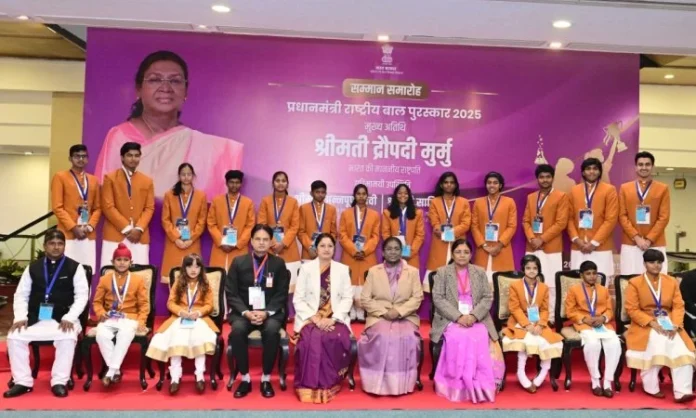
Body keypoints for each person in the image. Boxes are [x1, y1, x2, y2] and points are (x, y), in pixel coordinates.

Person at [94, 50, 243, 199]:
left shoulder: (208, 148)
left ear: (186, 91)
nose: (165, 88)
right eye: (155, 80)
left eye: (175, 81)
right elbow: (104, 195)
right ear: (138, 89)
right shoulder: (119, 136)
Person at [3, 231, 89, 399]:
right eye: (52, 243)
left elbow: (82, 296)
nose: (56, 247)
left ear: (64, 246)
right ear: (45, 246)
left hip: (63, 318)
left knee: (67, 336)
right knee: (14, 336)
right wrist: (20, 317)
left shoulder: (75, 267)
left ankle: (59, 381)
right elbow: (21, 295)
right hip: (36, 318)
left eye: (60, 243)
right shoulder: (33, 267)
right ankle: (22, 382)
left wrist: (70, 317)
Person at [431, 239, 505, 403]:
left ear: (471, 255)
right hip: (450, 317)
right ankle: (457, 384)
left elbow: (487, 297)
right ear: (452, 254)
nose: (462, 255)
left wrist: (473, 316)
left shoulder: (479, 272)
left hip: (476, 316)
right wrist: (458, 317)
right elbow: (438, 298)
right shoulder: (442, 272)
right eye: (458, 252)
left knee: (479, 334)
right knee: (459, 335)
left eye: (466, 252)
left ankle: (480, 383)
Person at [226, 224, 290, 399]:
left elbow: (281, 293)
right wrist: (246, 312)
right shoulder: (238, 262)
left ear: (270, 242)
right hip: (244, 313)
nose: (261, 243)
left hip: (270, 313)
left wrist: (266, 312)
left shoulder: (278, 263)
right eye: (258, 239)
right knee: (238, 330)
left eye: (265, 239)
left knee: (271, 330)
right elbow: (231, 293)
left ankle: (266, 378)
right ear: (251, 241)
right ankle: (245, 378)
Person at [625, 249, 695, 403]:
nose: (656, 265)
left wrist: (676, 325)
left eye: (659, 262)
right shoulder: (635, 283)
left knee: (682, 349)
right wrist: (651, 323)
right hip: (645, 323)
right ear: (644, 264)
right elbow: (632, 309)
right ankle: (651, 387)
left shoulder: (671, 281)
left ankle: (682, 391)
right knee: (657, 344)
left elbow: (678, 306)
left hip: (670, 322)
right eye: (652, 262)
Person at [359, 237, 424, 396]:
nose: (393, 252)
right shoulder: (373, 271)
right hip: (379, 316)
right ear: (383, 252)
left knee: (408, 337)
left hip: (405, 316)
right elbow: (365, 298)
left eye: (396, 249)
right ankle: (375, 384)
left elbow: (417, 297)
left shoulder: (413, 272)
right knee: (382, 335)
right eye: (389, 249)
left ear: (401, 252)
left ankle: (402, 384)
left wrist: (399, 311)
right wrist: (384, 312)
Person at [292, 233, 353, 403]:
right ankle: (308, 385)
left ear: (334, 249)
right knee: (310, 338)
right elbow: (298, 299)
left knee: (331, 338)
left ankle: (329, 383)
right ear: (316, 249)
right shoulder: (306, 269)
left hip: (335, 318)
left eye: (330, 246)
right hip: (310, 318)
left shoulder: (342, 269)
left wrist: (334, 318)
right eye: (322, 246)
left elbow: (347, 298)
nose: (326, 249)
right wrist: (315, 318)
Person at [146, 254, 218, 394]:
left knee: (200, 337)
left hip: (200, 318)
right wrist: (181, 312)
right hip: (180, 318)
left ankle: (199, 375)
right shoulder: (178, 283)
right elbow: (170, 303)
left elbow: (209, 305)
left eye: (197, 266)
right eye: (190, 266)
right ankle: (175, 377)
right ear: (184, 268)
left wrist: (198, 312)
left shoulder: (205, 284)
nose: (193, 270)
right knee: (176, 338)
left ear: (201, 268)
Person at [502, 254, 563, 393]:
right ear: (523, 269)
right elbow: (514, 308)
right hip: (519, 322)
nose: (531, 271)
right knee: (526, 340)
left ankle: (542, 374)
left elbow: (545, 309)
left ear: (539, 270)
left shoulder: (544, 287)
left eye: (535, 268)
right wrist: (527, 325)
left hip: (538, 322)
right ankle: (521, 373)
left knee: (548, 341)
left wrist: (540, 325)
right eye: (528, 268)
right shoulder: (515, 286)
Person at [92, 243, 150, 387]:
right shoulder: (105, 279)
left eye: (125, 260)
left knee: (125, 334)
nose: (122, 263)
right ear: (112, 262)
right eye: (118, 260)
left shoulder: (137, 280)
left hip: (129, 318)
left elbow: (144, 304)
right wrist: (101, 313)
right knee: (101, 335)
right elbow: (97, 302)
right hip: (109, 317)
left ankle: (111, 372)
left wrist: (141, 322)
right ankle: (116, 371)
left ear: (131, 262)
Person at [564, 261, 621, 398]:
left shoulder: (603, 290)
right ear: (581, 275)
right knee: (592, 344)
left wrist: (603, 318)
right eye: (588, 273)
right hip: (584, 324)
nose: (592, 276)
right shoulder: (574, 290)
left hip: (602, 324)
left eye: (594, 273)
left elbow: (609, 310)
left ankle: (607, 382)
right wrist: (584, 319)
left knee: (614, 343)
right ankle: (595, 381)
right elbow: (570, 311)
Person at [522, 164, 569, 322]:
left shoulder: (561, 196)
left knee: (551, 284)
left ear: (553, 178)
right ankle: (532, 316)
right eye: (541, 177)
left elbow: (561, 223)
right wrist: (532, 239)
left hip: (551, 247)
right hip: (532, 247)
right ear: (537, 179)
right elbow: (526, 221)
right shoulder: (531, 197)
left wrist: (542, 239)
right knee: (531, 282)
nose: (545, 180)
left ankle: (551, 317)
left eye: (548, 177)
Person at [100, 142, 155, 266]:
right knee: (110, 272)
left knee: (140, 273)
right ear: (122, 157)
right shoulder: (110, 178)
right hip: (115, 234)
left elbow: (149, 208)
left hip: (139, 236)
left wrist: (139, 229)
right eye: (129, 155)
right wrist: (127, 229)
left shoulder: (147, 181)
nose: (133, 159)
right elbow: (108, 206)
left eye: (136, 155)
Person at [50, 144, 101, 270]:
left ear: (88, 159)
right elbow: (57, 207)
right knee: (67, 271)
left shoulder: (94, 180)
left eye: (84, 156)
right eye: (77, 156)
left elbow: (98, 208)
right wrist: (73, 228)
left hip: (88, 234)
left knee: (87, 271)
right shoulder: (60, 177)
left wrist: (90, 226)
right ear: (70, 158)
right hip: (68, 233)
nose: (81, 159)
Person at [618, 151, 670, 275]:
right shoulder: (625, 188)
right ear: (635, 167)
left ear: (653, 167)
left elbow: (664, 217)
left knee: (657, 279)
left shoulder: (663, 188)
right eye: (640, 164)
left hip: (655, 243)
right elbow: (622, 216)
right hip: (630, 243)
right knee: (629, 279)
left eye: (647, 164)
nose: (644, 167)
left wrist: (649, 239)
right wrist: (636, 238)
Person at [567, 157, 618, 278]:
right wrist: (577, 240)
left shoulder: (609, 190)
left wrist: (594, 243)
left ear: (600, 172)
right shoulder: (574, 190)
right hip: (578, 247)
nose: (591, 171)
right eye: (588, 169)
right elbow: (569, 218)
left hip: (601, 247)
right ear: (583, 172)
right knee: (577, 282)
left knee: (601, 281)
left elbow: (610, 220)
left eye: (595, 169)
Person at [160, 163, 208, 282]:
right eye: (183, 174)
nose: (186, 177)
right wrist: (176, 238)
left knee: (193, 278)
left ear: (193, 176)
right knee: (173, 280)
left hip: (192, 243)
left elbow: (202, 221)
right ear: (179, 176)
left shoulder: (201, 196)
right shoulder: (169, 195)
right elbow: (165, 219)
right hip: (174, 243)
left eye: (189, 174)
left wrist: (191, 239)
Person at [339, 184, 381, 321]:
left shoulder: (374, 215)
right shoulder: (346, 213)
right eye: (358, 194)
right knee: (349, 282)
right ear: (354, 195)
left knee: (365, 282)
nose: (361, 196)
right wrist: (353, 250)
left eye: (364, 194)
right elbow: (342, 235)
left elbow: (375, 236)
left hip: (367, 256)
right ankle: (350, 309)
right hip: (349, 255)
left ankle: (361, 310)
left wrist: (364, 250)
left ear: (367, 196)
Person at [426, 172, 471, 292]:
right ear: (441, 185)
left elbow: (466, 224)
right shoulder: (435, 202)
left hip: (458, 243)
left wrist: (450, 233)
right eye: (446, 182)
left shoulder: (464, 202)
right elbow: (435, 223)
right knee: (438, 287)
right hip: (440, 243)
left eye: (452, 182)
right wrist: (442, 232)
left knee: (459, 287)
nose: (449, 185)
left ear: (455, 185)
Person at [258, 171, 301, 291]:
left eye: (283, 181)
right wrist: (273, 243)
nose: (280, 183)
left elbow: (295, 226)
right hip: (269, 249)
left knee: (290, 288)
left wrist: (283, 243)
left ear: (287, 184)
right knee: (269, 287)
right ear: (273, 183)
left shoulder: (293, 202)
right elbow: (262, 223)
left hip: (289, 249)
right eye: (277, 180)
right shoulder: (265, 201)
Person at [472, 172, 517, 284]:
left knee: (501, 286)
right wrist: (484, 245)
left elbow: (512, 226)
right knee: (480, 286)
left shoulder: (509, 202)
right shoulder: (478, 202)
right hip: (483, 251)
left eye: (495, 183)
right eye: (489, 182)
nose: (492, 185)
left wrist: (499, 245)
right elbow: (474, 225)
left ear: (500, 185)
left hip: (502, 250)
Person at [207, 170, 256, 271]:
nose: (234, 185)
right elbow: (211, 224)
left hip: (239, 249)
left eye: (237, 182)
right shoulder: (216, 201)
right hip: (219, 249)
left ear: (241, 184)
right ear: (226, 183)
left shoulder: (248, 203)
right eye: (231, 182)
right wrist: (221, 242)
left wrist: (238, 244)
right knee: (218, 276)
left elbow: (250, 226)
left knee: (238, 276)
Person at [381, 184, 425, 271]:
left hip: (411, 256)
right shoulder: (387, 213)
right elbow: (386, 234)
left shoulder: (417, 213)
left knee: (410, 278)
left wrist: (410, 252)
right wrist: (393, 251)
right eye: (400, 193)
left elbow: (420, 235)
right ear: (395, 195)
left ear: (409, 195)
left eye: (405, 193)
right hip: (392, 256)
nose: (403, 195)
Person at [298, 180, 338, 261]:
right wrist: (310, 247)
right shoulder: (304, 208)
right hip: (309, 253)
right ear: (311, 193)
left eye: (323, 192)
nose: (320, 194)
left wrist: (326, 246)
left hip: (326, 252)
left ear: (326, 193)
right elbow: (300, 232)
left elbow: (333, 233)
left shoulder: (331, 209)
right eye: (317, 192)